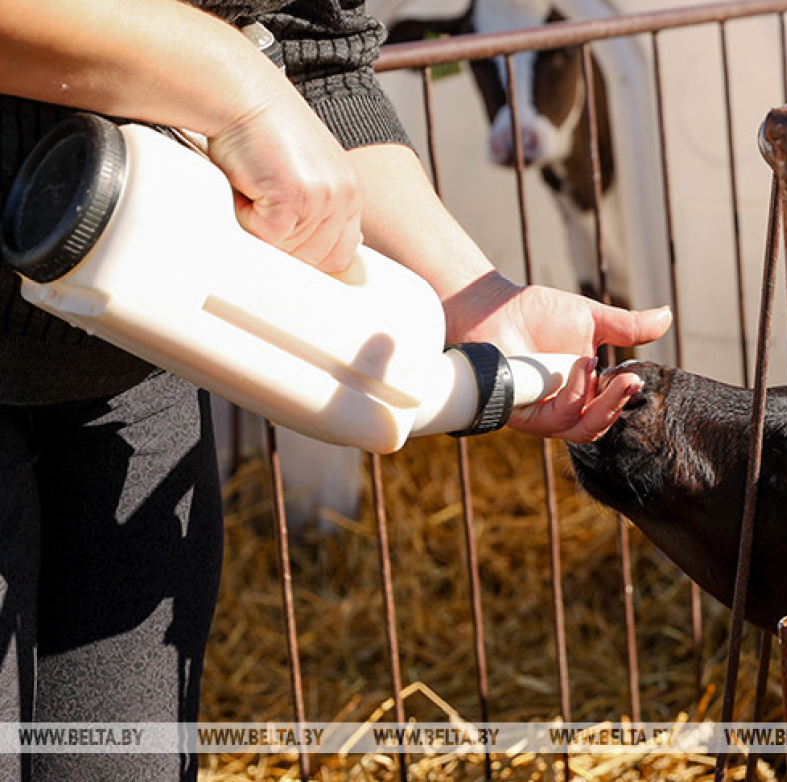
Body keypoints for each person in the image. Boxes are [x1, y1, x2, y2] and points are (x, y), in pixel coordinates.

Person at [0, 0, 671, 779]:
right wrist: (234, 88)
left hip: (130, 355)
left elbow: (317, 51)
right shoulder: (234, 83)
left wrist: (478, 298)